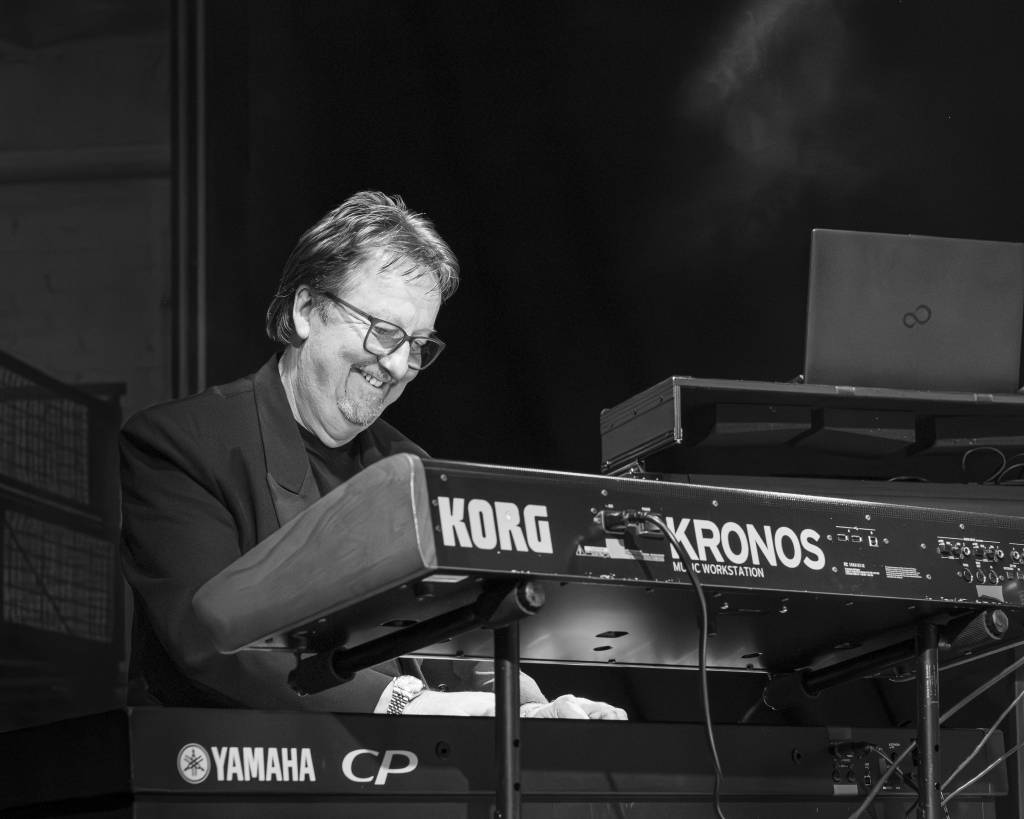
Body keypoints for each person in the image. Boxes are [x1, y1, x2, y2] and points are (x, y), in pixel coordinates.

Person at [120, 190, 626, 720]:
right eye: (384, 332)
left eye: (419, 344)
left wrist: (523, 704)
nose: (400, 365)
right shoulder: (180, 443)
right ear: (307, 310)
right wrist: (407, 704)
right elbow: (211, 643)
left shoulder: (412, 468)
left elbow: (450, 635)